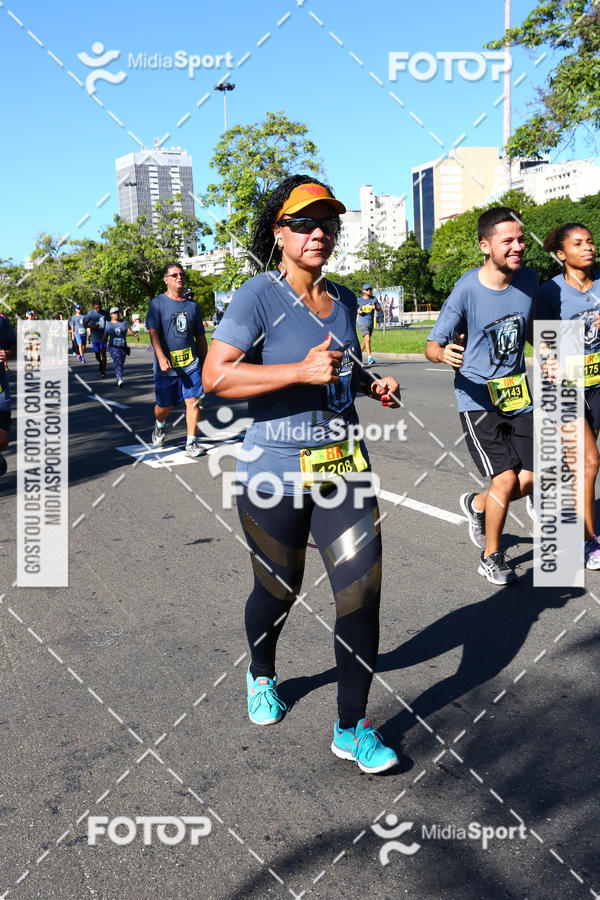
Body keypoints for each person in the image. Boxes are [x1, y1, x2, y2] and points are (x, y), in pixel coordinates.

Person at [203, 175, 402, 774]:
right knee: (278, 590)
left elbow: (341, 366)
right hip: (274, 475)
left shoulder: (342, 297)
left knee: (362, 591)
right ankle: (261, 674)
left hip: (344, 469)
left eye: (328, 224)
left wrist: (371, 385)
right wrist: (297, 372)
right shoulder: (257, 296)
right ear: (279, 232)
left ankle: (352, 728)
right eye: (304, 224)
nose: (319, 234)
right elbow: (216, 378)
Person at [426, 207, 537, 585]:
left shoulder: (530, 280)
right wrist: (443, 354)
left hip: (518, 396)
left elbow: (534, 326)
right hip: (478, 398)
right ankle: (491, 556)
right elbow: (431, 345)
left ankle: (476, 504)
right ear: (485, 246)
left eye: (521, 239)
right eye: (508, 241)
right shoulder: (467, 289)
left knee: (537, 476)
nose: (518, 246)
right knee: (505, 478)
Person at [535, 222, 600, 568]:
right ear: (562, 254)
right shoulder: (550, 292)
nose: (587, 247)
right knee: (589, 462)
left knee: (583, 467)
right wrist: (550, 360)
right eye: (578, 244)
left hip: (598, 383)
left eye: (589, 241)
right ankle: (585, 541)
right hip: (564, 386)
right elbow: (540, 338)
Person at [147, 263, 208, 458]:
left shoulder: (192, 306)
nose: (179, 277)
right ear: (166, 280)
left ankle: (191, 442)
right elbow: (154, 333)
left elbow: (200, 337)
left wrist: (206, 362)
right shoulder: (157, 304)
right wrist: (161, 356)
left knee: (193, 401)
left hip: (190, 364)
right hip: (167, 368)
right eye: (174, 275)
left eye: (181, 274)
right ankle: (159, 425)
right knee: (164, 407)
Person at [104, 306, 138, 387]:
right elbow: (105, 336)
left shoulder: (124, 322)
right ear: (111, 314)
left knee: (121, 363)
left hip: (123, 347)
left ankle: (119, 376)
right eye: (114, 313)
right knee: (118, 361)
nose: (116, 314)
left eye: (117, 312)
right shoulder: (109, 325)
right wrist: (102, 347)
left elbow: (129, 331)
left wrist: (135, 334)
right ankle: (119, 379)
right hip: (113, 347)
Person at [0, 314, 17, 477]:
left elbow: (16, 346)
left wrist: (8, 354)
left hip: (0, 390)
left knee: (3, 439)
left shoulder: (2, 321)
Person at [84, 300, 109, 376]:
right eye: (96, 308)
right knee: (97, 355)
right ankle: (101, 363)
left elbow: (111, 322)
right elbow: (85, 324)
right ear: (94, 307)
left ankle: (103, 371)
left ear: (101, 305)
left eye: (99, 307)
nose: (98, 309)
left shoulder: (105, 313)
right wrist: (92, 326)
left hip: (103, 336)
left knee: (103, 353)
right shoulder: (90, 314)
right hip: (94, 338)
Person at [356, 284, 379, 366]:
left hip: (370, 323)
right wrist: (358, 310)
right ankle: (370, 358)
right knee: (367, 338)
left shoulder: (374, 299)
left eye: (370, 289)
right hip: (362, 323)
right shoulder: (359, 300)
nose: (369, 291)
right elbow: (354, 308)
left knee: (365, 341)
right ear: (363, 291)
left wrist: (375, 308)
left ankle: (356, 358)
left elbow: (379, 308)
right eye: (367, 289)